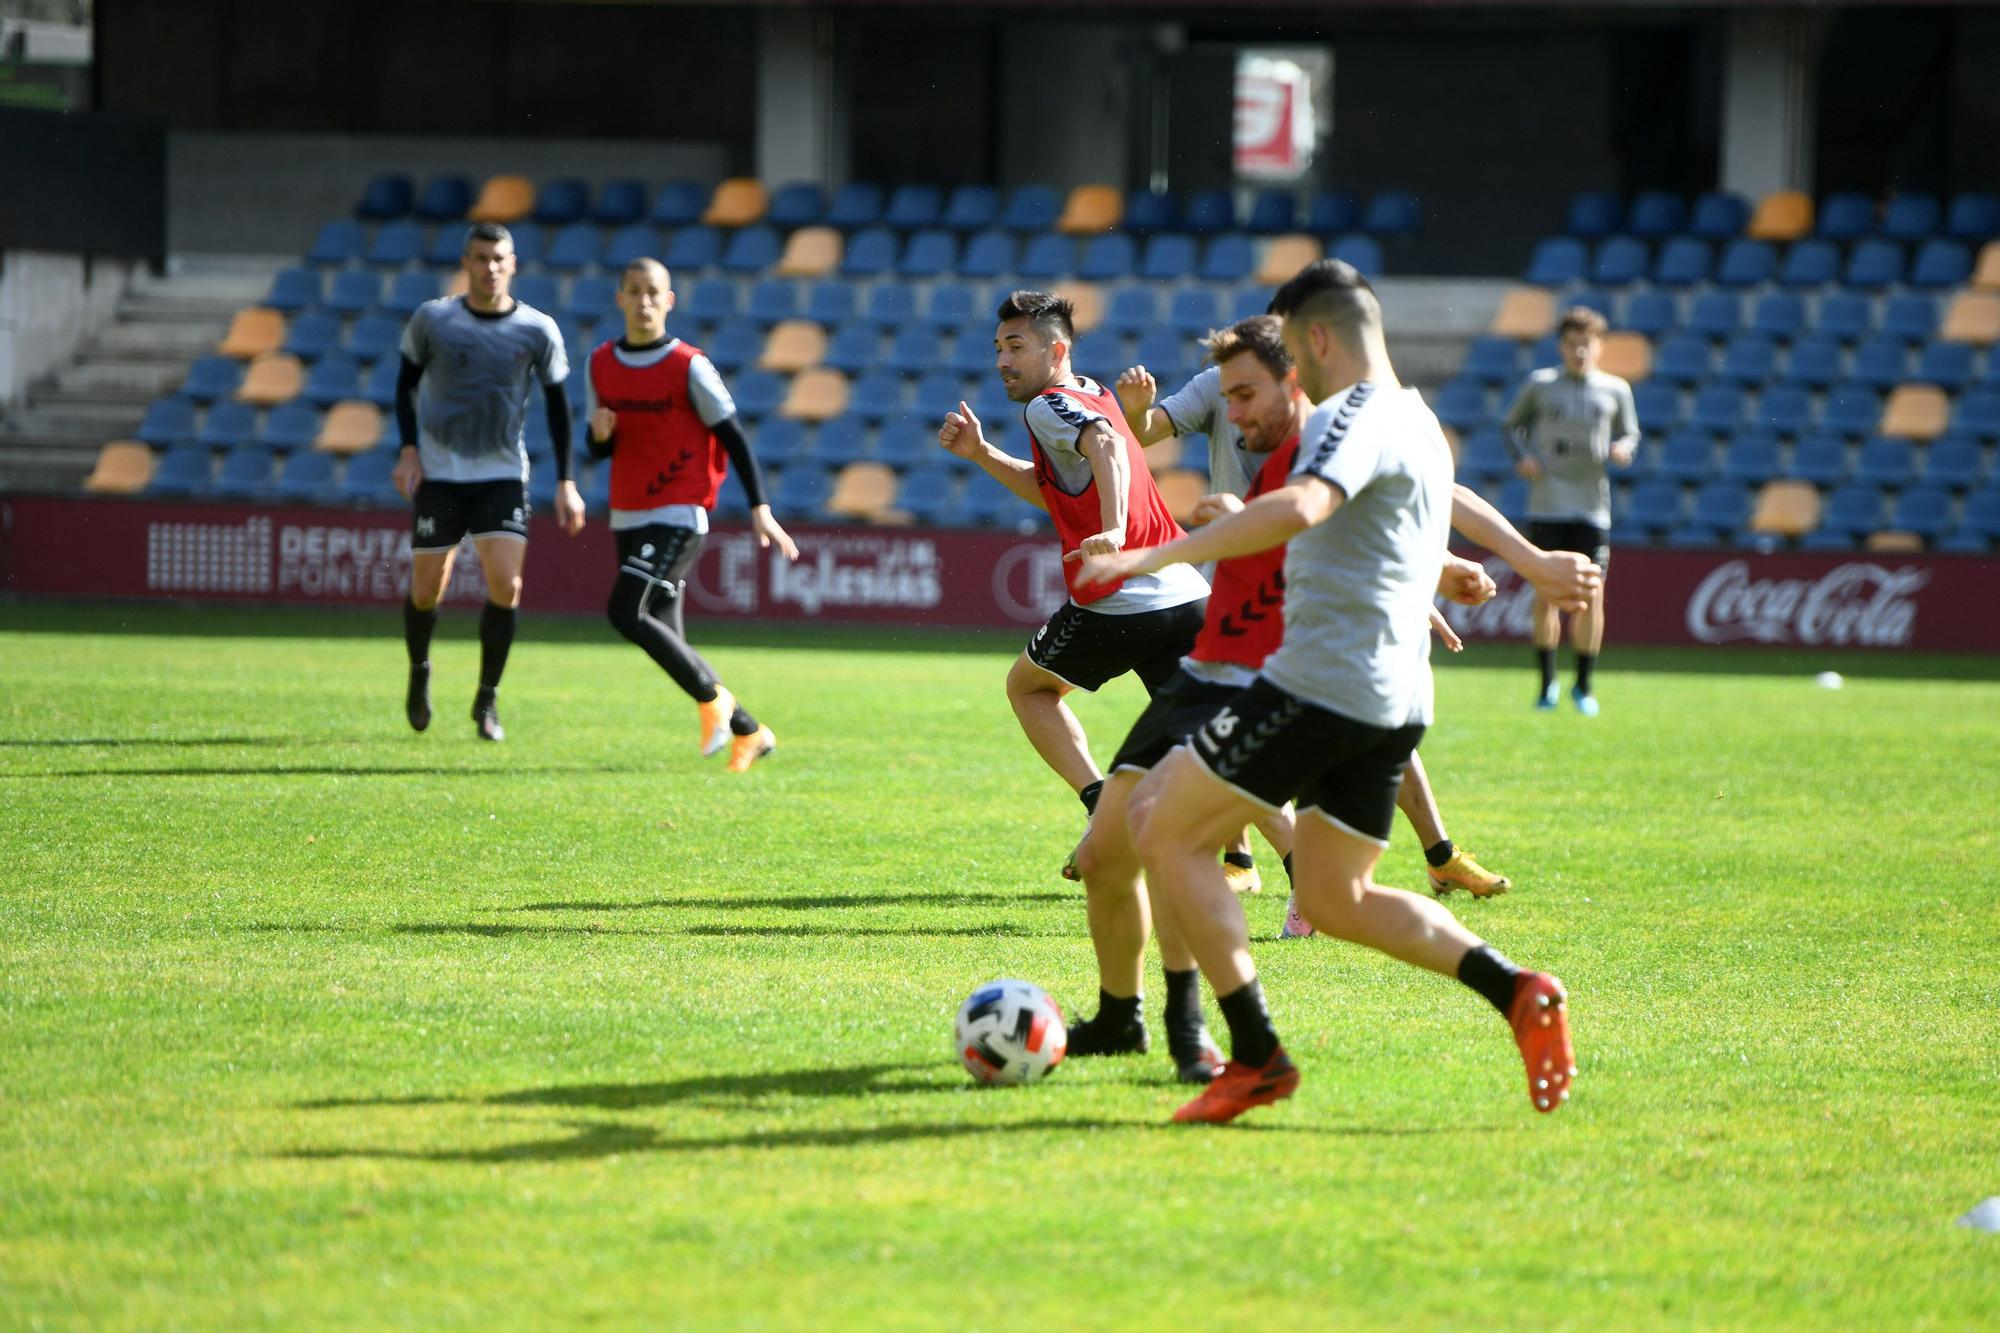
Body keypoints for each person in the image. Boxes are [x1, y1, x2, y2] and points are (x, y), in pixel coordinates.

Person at [1077, 260, 1576, 1126]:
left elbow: (1307, 504)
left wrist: (1144, 558)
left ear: (1312, 340)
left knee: (1161, 823)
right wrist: (1481, 565)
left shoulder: (1351, 412)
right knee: (1335, 896)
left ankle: (1252, 1052)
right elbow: (1415, 507)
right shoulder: (1418, 417)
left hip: (1323, 681)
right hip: (1396, 697)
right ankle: (1518, 988)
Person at [1119, 356, 1514, 902]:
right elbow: (1140, 435)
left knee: (1354, 723)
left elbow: (1387, 505)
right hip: (1237, 593)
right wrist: (1137, 413)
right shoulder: (1219, 385)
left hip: (1305, 588)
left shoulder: (1336, 412)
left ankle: (1432, 857)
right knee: (1221, 725)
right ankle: (1246, 862)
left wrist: (1426, 579)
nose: (1235, 414)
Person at [937, 290, 1208, 866]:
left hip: (1123, 595)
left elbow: (1107, 446)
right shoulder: (1097, 395)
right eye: (997, 348)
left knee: (1028, 688)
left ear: (1055, 349)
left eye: (1016, 346)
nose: (1003, 361)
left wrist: (1111, 530)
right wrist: (984, 454)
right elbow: (1058, 494)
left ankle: (1103, 805)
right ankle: (1296, 876)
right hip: (1187, 588)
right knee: (1210, 738)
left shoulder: (1047, 407)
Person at [583, 258, 798, 771]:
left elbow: (734, 438)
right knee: (664, 632)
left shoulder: (688, 364)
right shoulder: (600, 364)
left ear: (669, 300)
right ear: (619, 299)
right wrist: (598, 436)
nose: (643, 301)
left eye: (653, 291)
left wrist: (759, 508)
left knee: (622, 611)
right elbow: (600, 450)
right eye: (633, 291)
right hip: (629, 512)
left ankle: (716, 701)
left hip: (680, 511)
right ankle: (750, 731)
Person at [393, 222, 582, 742]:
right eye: (481, 258)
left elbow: (560, 407)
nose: (490, 267)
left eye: (499, 258)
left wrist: (566, 480)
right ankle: (419, 673)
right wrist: (408, 450)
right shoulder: (434, 319)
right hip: (441, 473)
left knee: (508, 584)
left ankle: (486, 699)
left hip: (501, 473)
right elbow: (404, 385)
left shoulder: (537, 329)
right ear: (466, 262)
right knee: (428, 589)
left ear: (513, 264)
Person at [1501, 305, 1639, 716]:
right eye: (1573, 343)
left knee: (1592, 595)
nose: (1580, 351)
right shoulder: (1540, 386)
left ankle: (1584, 685)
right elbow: (1511, 427)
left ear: (1599, 347)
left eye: (1588, 344)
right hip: (1547, 504)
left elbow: (1630, 433)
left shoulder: (1615, 390)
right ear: (1562, 346)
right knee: (1546, 595)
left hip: (1593, 508)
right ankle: (1547, 684)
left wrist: (1624, 449)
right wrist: (1524, 457)